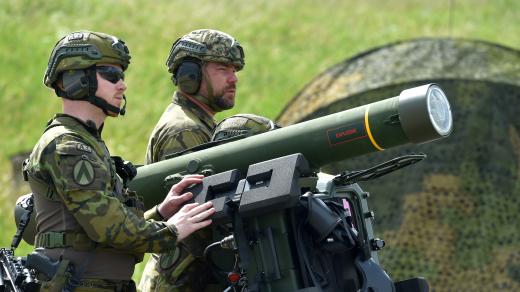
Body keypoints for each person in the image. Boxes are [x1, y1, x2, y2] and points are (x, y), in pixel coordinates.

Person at [24, 30, 215, 292]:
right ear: (77, 79)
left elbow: (99, 231)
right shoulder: (68, 146)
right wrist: (171, 230)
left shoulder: (88, 144)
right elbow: (109, 228)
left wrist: (161, 213)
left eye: (121, 76)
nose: (122, 85)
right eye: (112, 76)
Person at [140, 29, 245, 291]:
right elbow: (200, 225)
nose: (233, 79)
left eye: (235, 70)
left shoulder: (199, 123)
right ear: (190, 75)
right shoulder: (185, 130)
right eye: (223, 69)